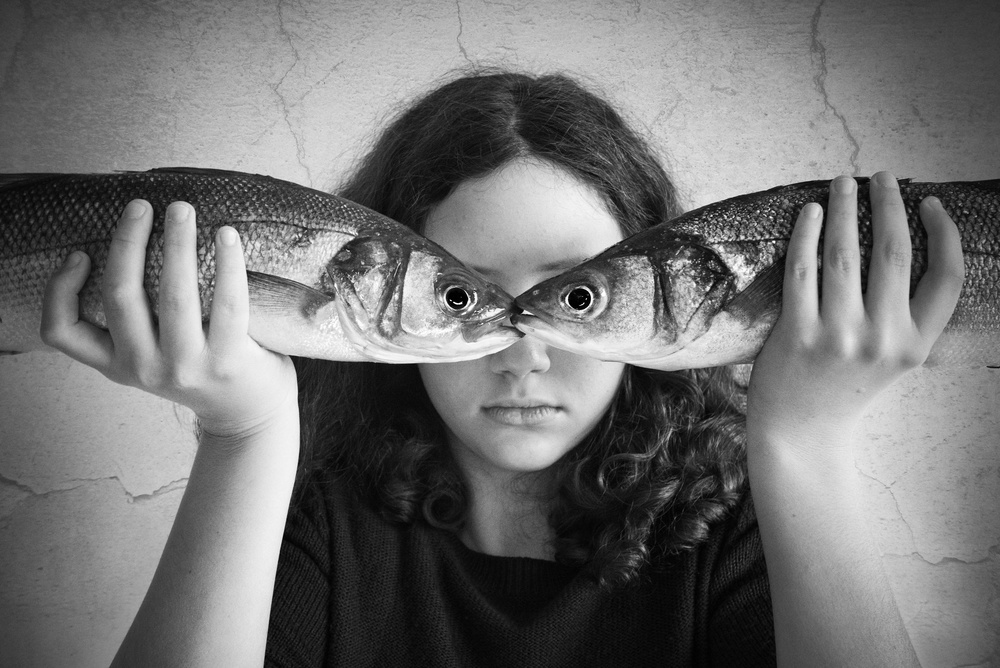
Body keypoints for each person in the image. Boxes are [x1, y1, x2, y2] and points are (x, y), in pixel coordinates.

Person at [40, 70, 964, 667]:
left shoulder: (740, 531)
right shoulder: (314, 521)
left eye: (578, 296)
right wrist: (244, 436)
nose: (526, 351)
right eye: (463, 296)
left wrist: (804, 442)